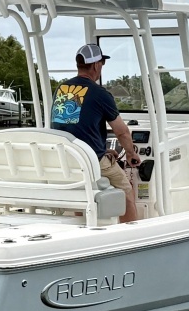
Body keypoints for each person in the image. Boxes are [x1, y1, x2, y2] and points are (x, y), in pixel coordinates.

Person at [50, 42, 141, 222]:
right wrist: (131, 154)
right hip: (91, 162)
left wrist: (103, 150)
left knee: (81, 193)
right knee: (126, 191)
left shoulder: (62, 90)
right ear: (96, 65)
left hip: (67, 159)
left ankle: (83, 226)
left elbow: (73, 128)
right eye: (102, 63)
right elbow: (122, 132)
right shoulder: (100, 94)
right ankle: (131, 231)